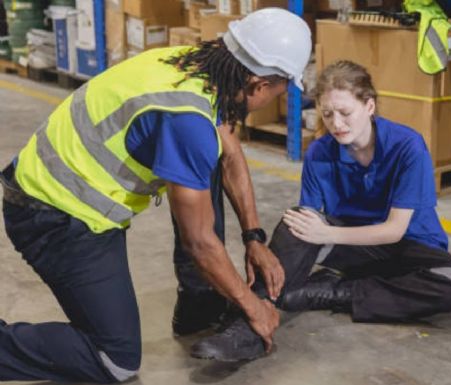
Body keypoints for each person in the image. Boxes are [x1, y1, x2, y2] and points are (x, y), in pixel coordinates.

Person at [0, 8, 310, 383]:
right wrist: (253, 307)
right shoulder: (187, 121)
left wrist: (253, 237)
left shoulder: (193, 65)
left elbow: (228, 153)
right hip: (55, 216)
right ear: (259, 83)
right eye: (281, 89)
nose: (279, 97)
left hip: (65, 195)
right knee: (114, 362)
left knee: (203, 160)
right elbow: (200, 243)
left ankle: (199, 302)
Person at [190, 60, 451, 359]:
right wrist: (310, 233)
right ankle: (247, 325)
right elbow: (307, 223)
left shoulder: (407, 147)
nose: (337, 124)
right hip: (354, 249)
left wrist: (326, 232)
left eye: (345, 113)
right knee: (295, 224)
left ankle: (330, 292)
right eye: (327, 114)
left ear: (369, 106)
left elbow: (394, 230)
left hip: (410, 249)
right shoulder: (320, 152)